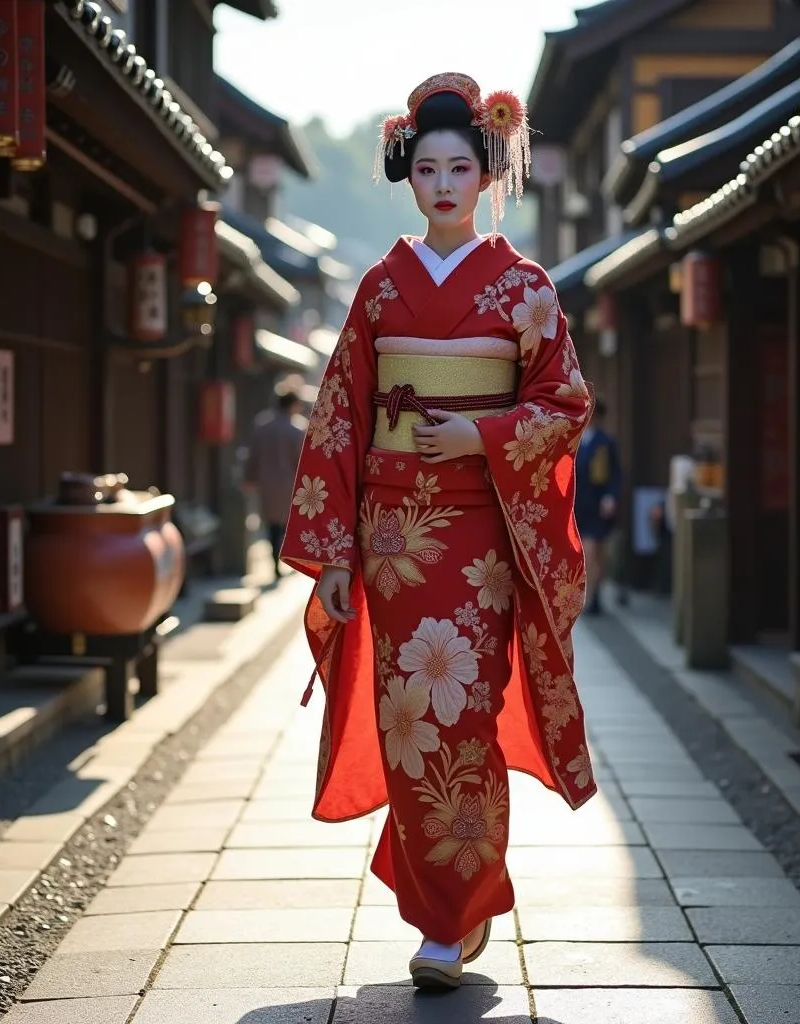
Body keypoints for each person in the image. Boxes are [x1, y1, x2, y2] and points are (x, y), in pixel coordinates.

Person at [280, 72, 596, 992]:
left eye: (462, 166)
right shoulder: (380, 289)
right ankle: (444, 912)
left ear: (488, 172)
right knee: (409, 718)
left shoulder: (524, 287)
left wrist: (482, 432)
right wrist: (333, 553)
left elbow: (564, 401)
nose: (446, 183)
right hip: (392, 541)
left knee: (460, 710)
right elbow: (340, 419)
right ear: (407, 178)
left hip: (482, 540)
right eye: (429, 169)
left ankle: (452, 913)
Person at [245, 386, 305, 582]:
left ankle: (274, 564)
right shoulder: (297, 429)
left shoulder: (263, 425)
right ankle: (291, 560)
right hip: (292, 483)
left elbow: (252, 455)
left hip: (267, 483)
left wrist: (249, 477)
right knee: (292, 523)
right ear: (293, 405)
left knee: (272, 525)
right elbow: (303, 460)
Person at [574, 397, 624, 614]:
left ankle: (592, 594)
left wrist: (610, 497)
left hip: (597, 503)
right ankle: (590, 593)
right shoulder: (575, 438)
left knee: (594, 551)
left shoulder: (606, 442)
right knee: (585, 550)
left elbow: (615, 475)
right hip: (577, 502)